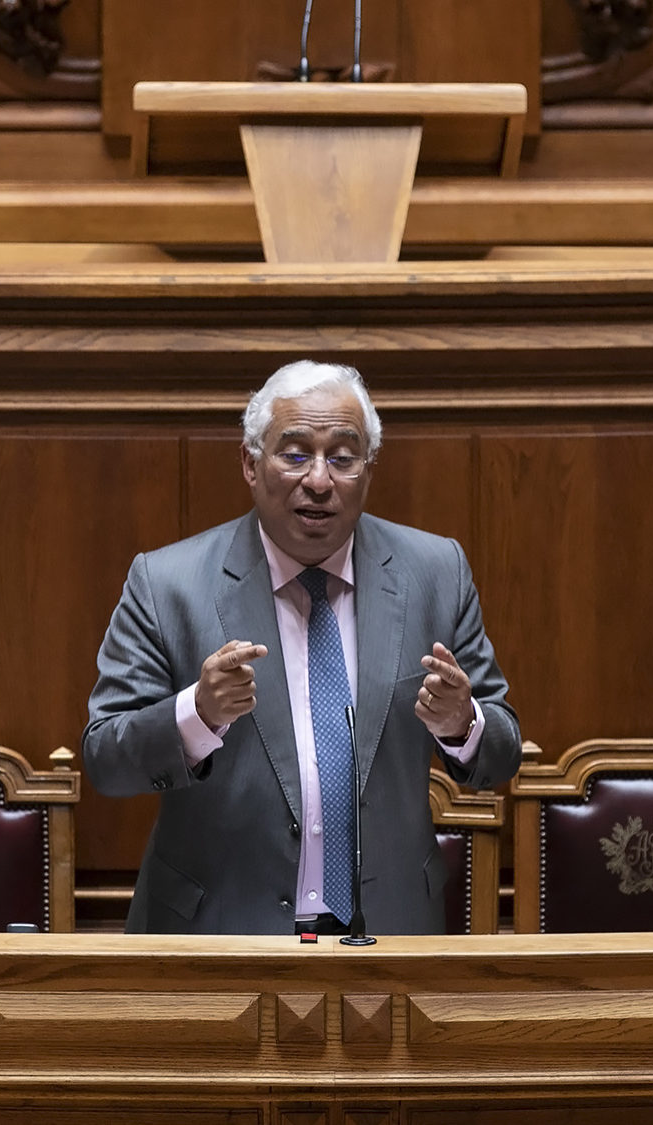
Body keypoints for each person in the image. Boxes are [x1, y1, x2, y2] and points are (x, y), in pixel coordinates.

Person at [83, 360, 522, 935]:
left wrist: (464, 724)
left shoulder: (435, 572)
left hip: (387, 934)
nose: (319, 480)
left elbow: (503, 752)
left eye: (343, 457)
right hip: (218, 937)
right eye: (294, 454)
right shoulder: (167, 584)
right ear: (250, 462)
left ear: (367, 470)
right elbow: (106, 761)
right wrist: (199, 715)